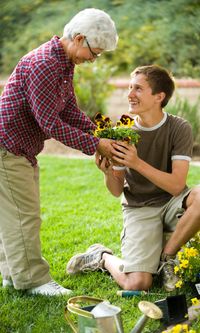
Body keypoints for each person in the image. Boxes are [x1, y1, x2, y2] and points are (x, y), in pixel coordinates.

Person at [0, 8, 118, 296]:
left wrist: (98, 133)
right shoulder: (44, 64)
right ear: (78, 39)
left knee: (13, 215)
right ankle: (34, 281)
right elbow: (50, 123)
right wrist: (96, 145)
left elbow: (68, 110)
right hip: (7, 148)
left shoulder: (63, 63)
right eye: (95, 52)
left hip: (18, 149)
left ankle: (13, 276)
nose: (93, 59)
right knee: (24, 216)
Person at [67, 65, 200, 292]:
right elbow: (116, 191)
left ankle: (167, 258)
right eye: (129, 87)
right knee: (138, 284)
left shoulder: (179, 127)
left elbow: (178, 185)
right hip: (139, 207)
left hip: (172, 202)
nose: (129, 94)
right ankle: (101, 256)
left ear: (159, 97)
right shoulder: (121, 131)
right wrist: (108, 172)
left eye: (137, 89)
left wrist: (136, 163)